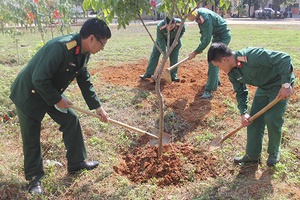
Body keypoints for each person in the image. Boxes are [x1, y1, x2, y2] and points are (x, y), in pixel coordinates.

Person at [9, 18, 111, 195]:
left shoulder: (83, 51)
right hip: (30, 93)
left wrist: (97, 107)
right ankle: (34, 179)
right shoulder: (61, 47)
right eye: (102, 44)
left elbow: (83, 78)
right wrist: (57, 99)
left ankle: (76, 162)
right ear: (92, 38)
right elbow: (39, 79)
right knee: (32, 133)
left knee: (70, 119)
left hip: (50, 90)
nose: (102, 48)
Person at [207, 42, 295, 166]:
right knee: (253, 120)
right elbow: (241, 92)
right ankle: (252, 155)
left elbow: (284, 58)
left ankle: (274, 153)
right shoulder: (232, 73)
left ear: (224, 60)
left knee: (272, 118)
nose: (219, 69)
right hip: (264, 87)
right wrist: (243, 113)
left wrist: (286, 85)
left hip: (279, 84)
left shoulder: (251, 56)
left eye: (218, 66)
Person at [187, 8, 231, 98]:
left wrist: (195, 52)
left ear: (192, 12)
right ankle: (216, 80)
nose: (187, 18)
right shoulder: (198, 16)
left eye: (187, 15)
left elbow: (207, 39)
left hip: (223, 36)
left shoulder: (205, 17)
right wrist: (200, 48)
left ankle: (209, 90)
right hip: (217, 37)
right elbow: (204, 34)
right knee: (213, 59)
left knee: (213, 60)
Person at [140, 17, 186, 82]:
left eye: (171, 27)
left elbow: (183, 30)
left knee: (174, 57)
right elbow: (161, 40)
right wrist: (164, 53)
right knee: (154, 54)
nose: (169, 29)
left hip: (174, 40)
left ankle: (173, 75)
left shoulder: (180, 23)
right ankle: (148, 73)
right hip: (162, 40)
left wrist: (177, 40)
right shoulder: (160, 26)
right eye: (168, 27)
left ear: (175, 23)